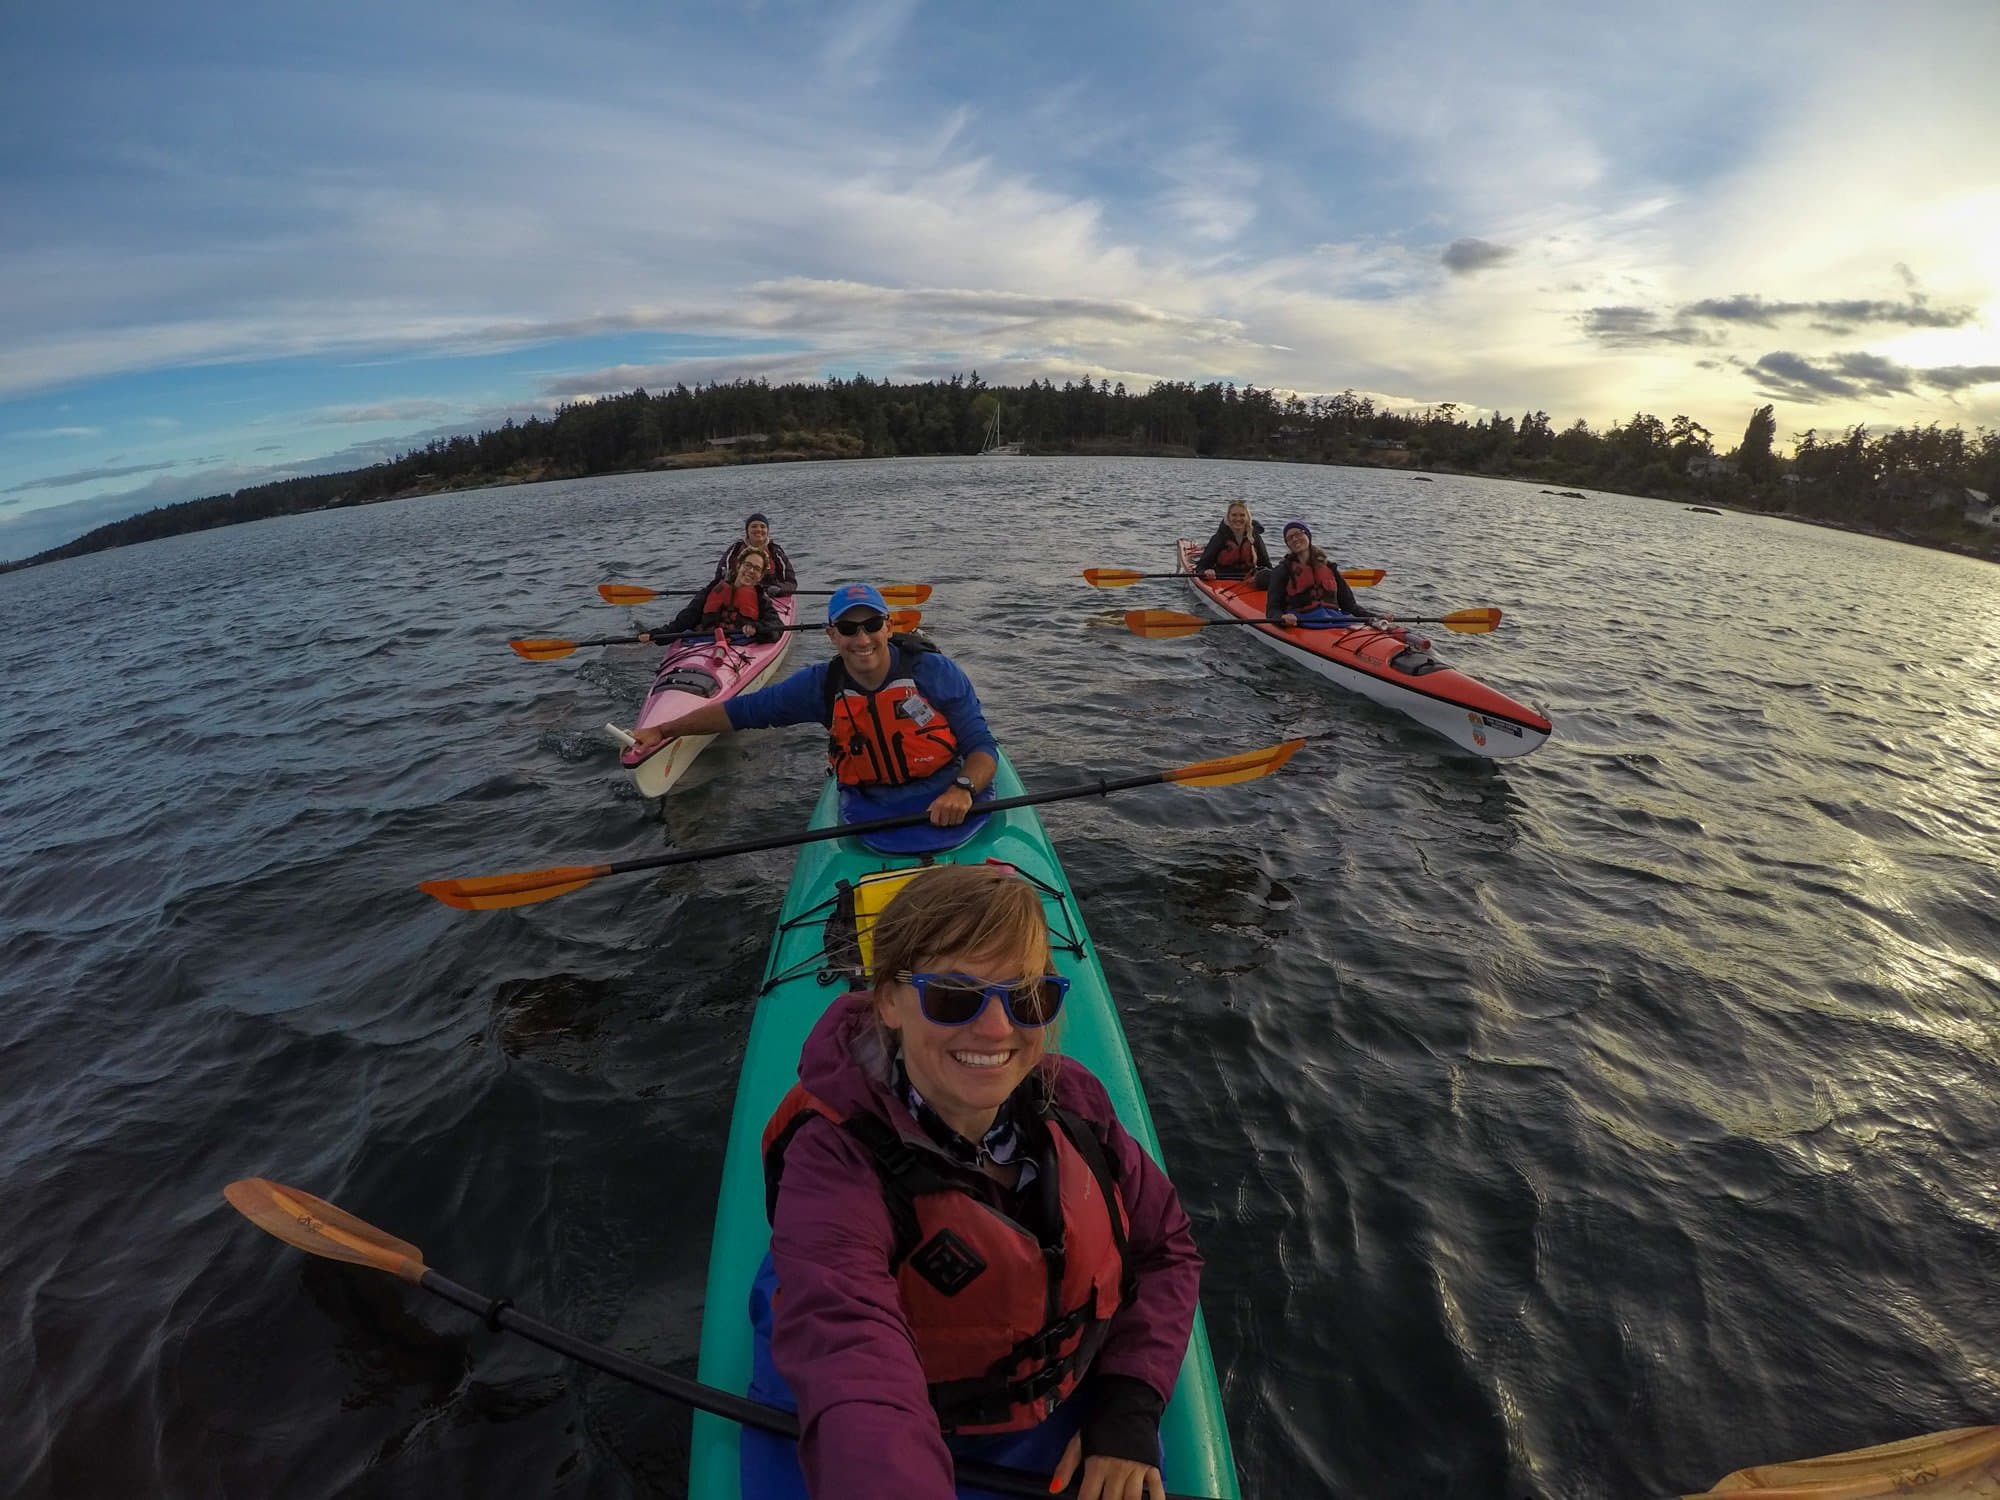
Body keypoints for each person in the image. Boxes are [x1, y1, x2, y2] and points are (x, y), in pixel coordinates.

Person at [744, 863, 1199, 1500]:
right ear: (889, 1002)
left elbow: (1168, 1247)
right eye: (954, 996)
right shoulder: (833, 1167)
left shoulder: (1074, 1105)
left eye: (1028, 996)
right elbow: (850, 1356)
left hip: (1059, 1413)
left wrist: (1126, 1406)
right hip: (915, 1431)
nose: (996, 1028)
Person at [626, 583, 998, 840]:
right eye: (849, 629)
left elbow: (980, 744)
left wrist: (963, 788)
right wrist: (664, 730)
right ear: (832, 635)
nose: (862, 639)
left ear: (889, 627)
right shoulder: (820, 685)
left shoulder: (933, 671)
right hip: (868, 811)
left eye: (871, 625)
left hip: (950, 796)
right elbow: (739, 712)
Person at [638, 547, 783, 645]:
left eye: (756, 569)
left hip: (738, 644)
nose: (750, 571)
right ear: (739, 566)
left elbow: (776, 628)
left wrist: (756, 628)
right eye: (747, 565)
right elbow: (685, 620)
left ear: (760, 576)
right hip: (703, 642)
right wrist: (655, 635)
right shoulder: (713, 588)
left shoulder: (760, 598)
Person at [1265, 520, 1366, 629]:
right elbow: (1272, 610)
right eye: (1289, 538)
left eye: (1298, 534)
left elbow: (1350, 605)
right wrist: (1282, 617)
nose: (1294, 539)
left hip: (1336, 619)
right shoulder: (1282, 570)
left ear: (1308, 536)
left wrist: (1375, 617)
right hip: (1304, 621)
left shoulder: (1330, 568)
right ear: (1287, 544)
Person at [716, 512, 798, 597]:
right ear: (747, 531)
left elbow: (791, 582)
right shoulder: (734, 550)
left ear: (767, 531)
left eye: (762, 526)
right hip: (739, 593)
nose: (758, 529)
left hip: (770, 596)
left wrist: (780, 589)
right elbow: (719, 578)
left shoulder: (776, 551)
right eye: (754, 526)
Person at [1193, 500, 1270, 582]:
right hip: (1222, 579)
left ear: (1247, 517)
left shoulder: (1255, 537)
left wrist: (1262, 577)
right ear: (1228, 517)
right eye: (1234, 515)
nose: (1238, 519)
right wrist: (1206, 571)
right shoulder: (1219, 538)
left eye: (1242, 515)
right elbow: (1201, 566)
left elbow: (1266, 565)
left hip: (1249, 581)